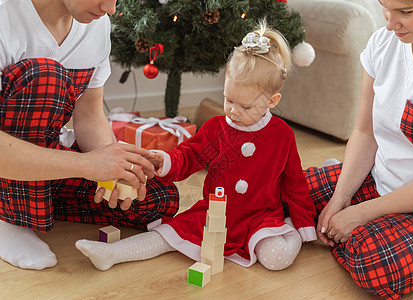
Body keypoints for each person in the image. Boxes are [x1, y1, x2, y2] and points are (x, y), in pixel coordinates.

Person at [75, 21, 317, 271]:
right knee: (168, 233)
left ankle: (291, 234)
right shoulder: (216, 128)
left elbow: (294, 182)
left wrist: (303, 224)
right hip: (214, 213)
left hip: (261, 218)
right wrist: (165, 160)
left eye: (245, 107)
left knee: (276, 260)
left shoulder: (281, 135)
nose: (233, 111)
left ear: (273, 100)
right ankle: (111, 253)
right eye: (228, 99)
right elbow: (191, 155)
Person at [0, 0, 179, 271]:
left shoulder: (95, 23)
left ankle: (33, 201)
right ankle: (11, 220)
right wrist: (87, 165)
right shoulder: (5, 17)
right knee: (47, 76)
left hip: (39, 160)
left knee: (158, 198)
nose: (110, 8)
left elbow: (89, 113)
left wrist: (114, 172)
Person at [303, 0, 413, 298]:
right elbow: (364, 131)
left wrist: (360, 214)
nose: (390, 23)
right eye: (385, 6)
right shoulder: (383, 42)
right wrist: (340, 199)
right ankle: (371, 227)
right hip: (377, 180)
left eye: (406, 12)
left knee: (373, 261)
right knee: (284, 188)